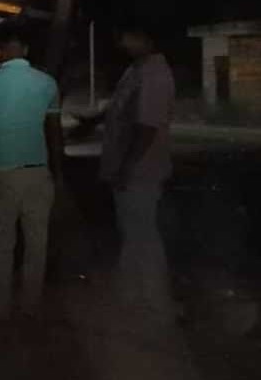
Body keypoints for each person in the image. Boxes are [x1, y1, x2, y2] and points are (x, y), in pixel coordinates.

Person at [0, 20, 63, 319]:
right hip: (39, 172)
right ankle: (30, 309)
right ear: (26, 48)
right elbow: (54, 134)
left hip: (4, 172)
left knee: (2, 243)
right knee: (37, 243)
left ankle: (1, 310)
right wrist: (58, 174)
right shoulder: (47, 83)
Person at [100, 18, 175, 319]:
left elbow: (146, 128)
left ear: (143, 36)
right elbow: (122, 111)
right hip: (130, 168)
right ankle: (133, 297)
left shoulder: (155, 74)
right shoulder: (137, 70)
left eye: (126, 37)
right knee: (133, 233)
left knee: (142, 234)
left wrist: (126, 168)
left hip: (140, 170)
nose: (122, 44)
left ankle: (156, 301)